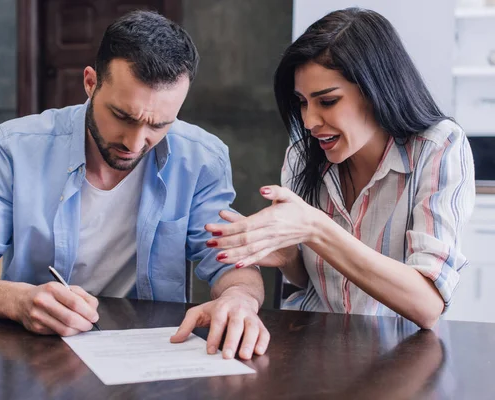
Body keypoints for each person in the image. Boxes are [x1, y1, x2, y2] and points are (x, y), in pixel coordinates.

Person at [0, 10, 269, 360]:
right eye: (122, 116)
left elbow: (231, 264)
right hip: (36, 353)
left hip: (154, 356)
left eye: (159, 125)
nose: (135, 143)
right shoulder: (14, 147)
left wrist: (238, 299)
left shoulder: (201, 158)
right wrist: (18, 300)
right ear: (90, 82)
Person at [204, 8, 475, 329]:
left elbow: (428, 304)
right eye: (302, 102)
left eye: (327, 101)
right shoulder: (301, 156)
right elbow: (307, 285)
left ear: (377, 91)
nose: (309, 121)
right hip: (309, 346)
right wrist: (289, 258)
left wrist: (316, 228)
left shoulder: (438, 147)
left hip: (398, 357)